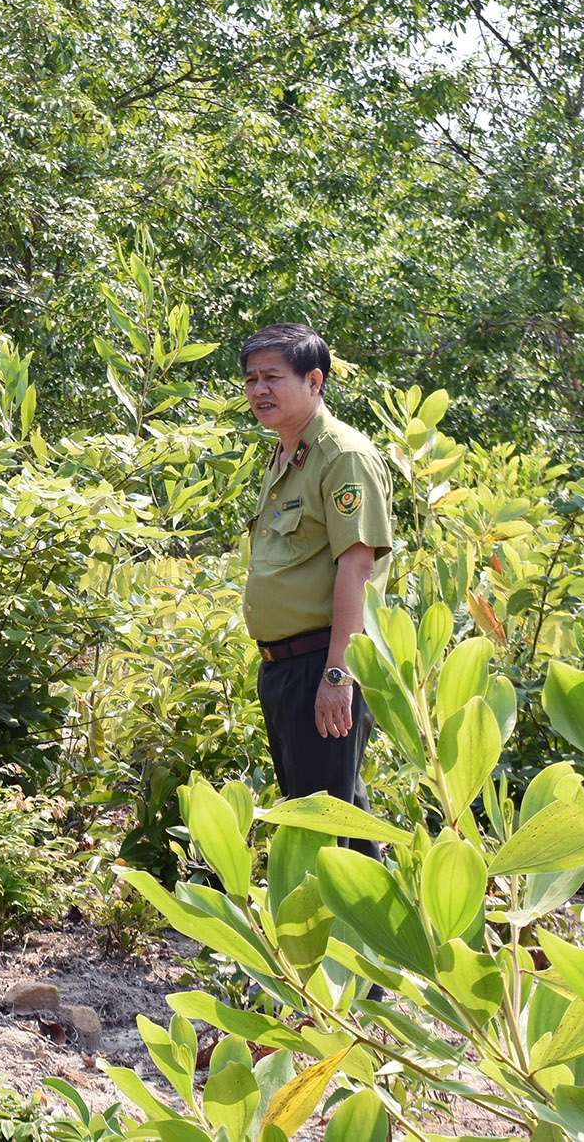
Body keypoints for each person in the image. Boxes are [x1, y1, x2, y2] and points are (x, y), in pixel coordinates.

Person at [240, 323, 393, 858]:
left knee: (328, 828)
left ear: (314, 381)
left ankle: (347, 938)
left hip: (321, 663)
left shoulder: (342, 455)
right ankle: (351, 937)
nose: (260, 390)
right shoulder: (286, 455)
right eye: (252, 378)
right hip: (285, 667)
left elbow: (358, 568)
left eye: (274, 377)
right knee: (323, 814)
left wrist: (338, 674)